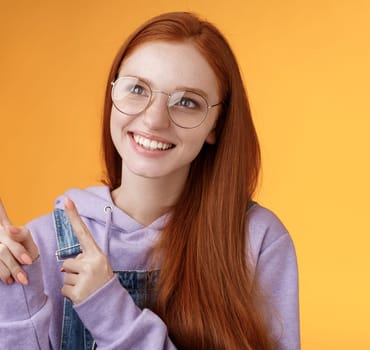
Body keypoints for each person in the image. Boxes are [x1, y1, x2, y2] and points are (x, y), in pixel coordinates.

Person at [0, 12, 299, 349]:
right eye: (138, 88)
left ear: (216, 124)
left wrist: (108, 309)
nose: (154, 119)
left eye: (187, 102)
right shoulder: (43, 242)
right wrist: (15, 293)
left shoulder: (256, 240)